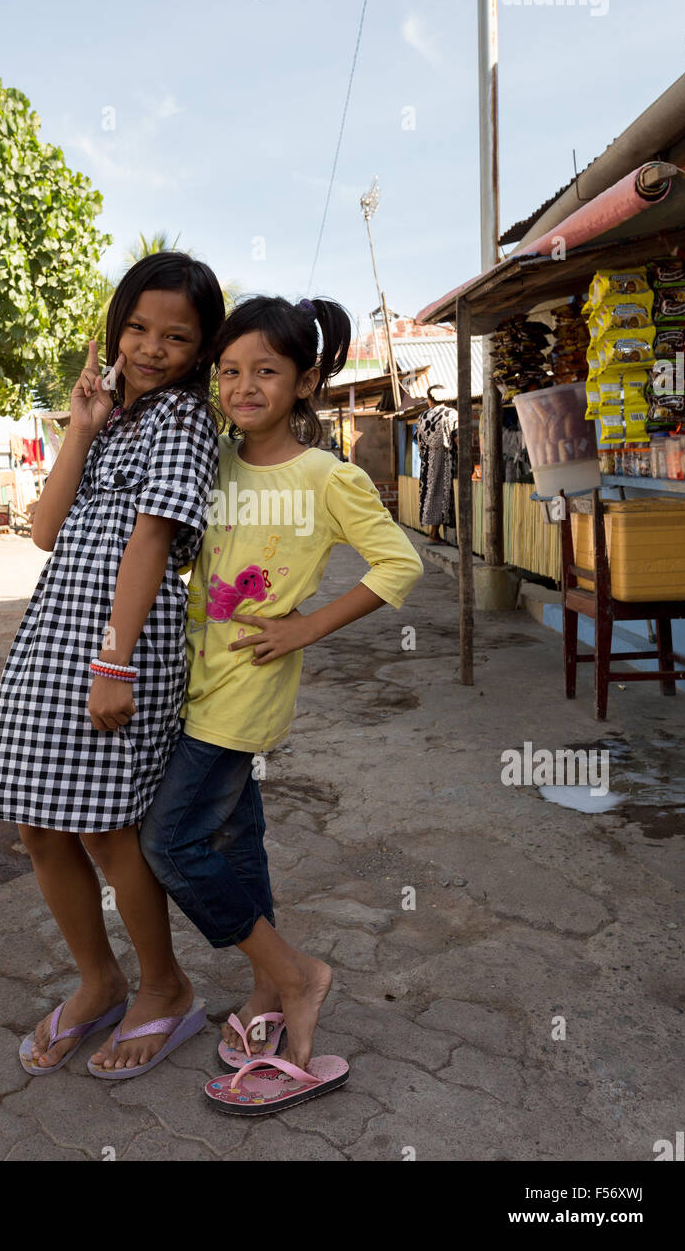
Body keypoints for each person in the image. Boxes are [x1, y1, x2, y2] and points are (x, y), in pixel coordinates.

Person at [132, 295, 423, 1106]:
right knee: (234, 835)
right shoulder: (211, 458)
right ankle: (267, 989)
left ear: (305, 382)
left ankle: (295, 975)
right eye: (229, 371)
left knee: (172, 843)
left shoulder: (329, 476)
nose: (244, 386)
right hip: (187, 680)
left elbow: (399, 565)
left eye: (266, 371)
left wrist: (307, 628)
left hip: (246, 693)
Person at [0, 251, 224, 1075]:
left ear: (202, 348)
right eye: (137, 328)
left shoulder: (183, 420)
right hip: (53, 638)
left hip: (119, 645)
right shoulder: (110, 418)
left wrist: (114, 663)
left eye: (176, 337)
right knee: (40, 824)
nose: (150, 347)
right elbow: (43, 529)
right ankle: (98, 980)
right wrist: (80, 424)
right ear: (116, 328)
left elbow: (150, 539)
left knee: (109, 832)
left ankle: (166, 989)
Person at [414, 385, 458, 542]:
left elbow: (418, 440)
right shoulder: (452, 414)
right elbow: (457, 437)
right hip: (446, 458)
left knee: (430, 493)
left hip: (427, 460)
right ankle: (435, 533)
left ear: (429, 400)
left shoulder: (422, 416)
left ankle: (434, 533)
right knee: (444, 494)